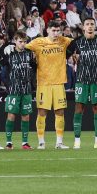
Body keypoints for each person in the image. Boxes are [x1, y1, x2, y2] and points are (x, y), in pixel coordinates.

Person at [25, 18, 73, 149]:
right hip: (43, 83)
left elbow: (77, 43)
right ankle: (41, 142)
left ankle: (59, 142)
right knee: (42, 112)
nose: (56, 33)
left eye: (58, 31)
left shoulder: (64, 41)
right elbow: (23, 47)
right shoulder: (38, 42)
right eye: (54, 30)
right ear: (48, 30)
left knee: (60, 112)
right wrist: (10, 46)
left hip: (59, 82)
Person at [70, 16, 97, 149]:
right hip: (81, 80)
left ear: (95, 26)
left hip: (96, 81)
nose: (90, 26)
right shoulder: (77, 42)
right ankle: (77, 141)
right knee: (79, 108)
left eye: (92, 24)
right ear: (83, 27)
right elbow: (64, 54)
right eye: (87, 24)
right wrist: (72, 58)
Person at [3, 31, 36, 149]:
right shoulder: (9, 53)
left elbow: (34, 68)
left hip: (26, 90)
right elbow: (4, 71)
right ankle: (8, 142)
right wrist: (8, 86)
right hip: (13, 90)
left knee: (26, 116)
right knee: (11, 115)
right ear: (15, 41)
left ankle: (24, 142)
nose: (22, 44)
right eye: (20, 41)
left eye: (24, 42)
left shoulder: (29, 54)